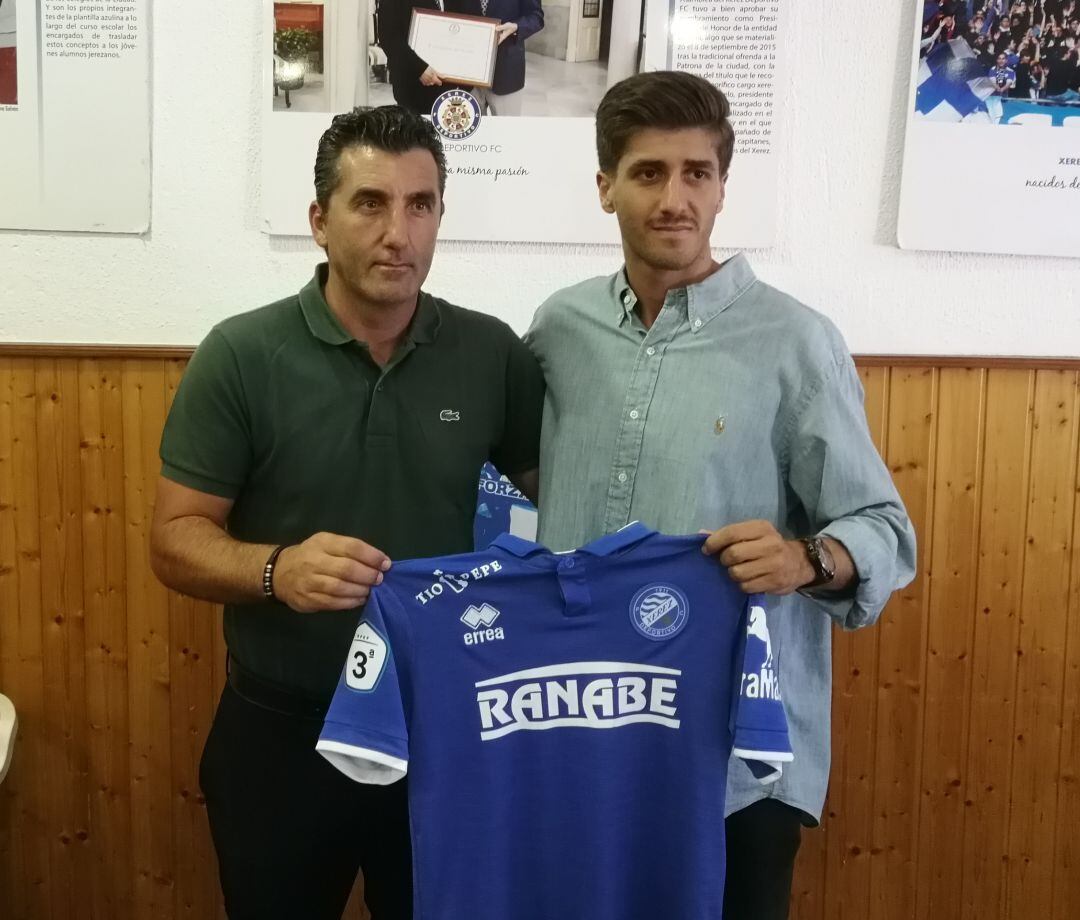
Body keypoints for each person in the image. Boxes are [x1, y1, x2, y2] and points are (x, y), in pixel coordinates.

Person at [524, 71, 916, 920]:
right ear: (604, 188)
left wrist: (805, 558)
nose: (675, 198)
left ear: (722, 187)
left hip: (737, 759)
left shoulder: (798, 344)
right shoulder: (558, 330)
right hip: (581, 736)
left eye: (697, 172)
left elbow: (886, 528)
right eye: (649, 172)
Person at [149, 105, 544, 920]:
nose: (398, 231)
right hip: (282, 730)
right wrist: (275, 570)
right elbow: (174, 541)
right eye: (370, 203)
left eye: (420, 204)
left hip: (447, 729)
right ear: (319, 222)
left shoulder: (493, 353)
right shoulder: (242, 354)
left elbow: (557, 510)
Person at [457, 0, 544, 115]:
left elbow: (536, 16)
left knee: (506, 130)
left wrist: (516, 26)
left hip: (506, 71)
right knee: (471, 129)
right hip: (468, 72)